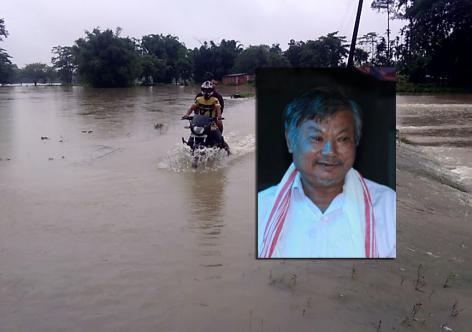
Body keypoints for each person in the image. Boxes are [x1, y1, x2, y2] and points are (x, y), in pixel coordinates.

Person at [258, 88, 396, 258]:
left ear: (356, 142)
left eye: (343, 139)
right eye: (317, 138)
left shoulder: (389, 208)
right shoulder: (261, 209)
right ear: (290, 141)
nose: (330, 151)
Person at [183, 81, 227, 150]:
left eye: (208, 90)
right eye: (205, 90)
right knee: (194, 129)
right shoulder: (199, 98)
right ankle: (190, 144)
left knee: (219, 126)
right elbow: (192, 107)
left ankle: (221, 143)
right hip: (201, 120)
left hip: (212, 120)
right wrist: (187, 115)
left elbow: (219, 108)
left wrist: (218, 116)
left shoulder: (216, 98)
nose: (206, 92)